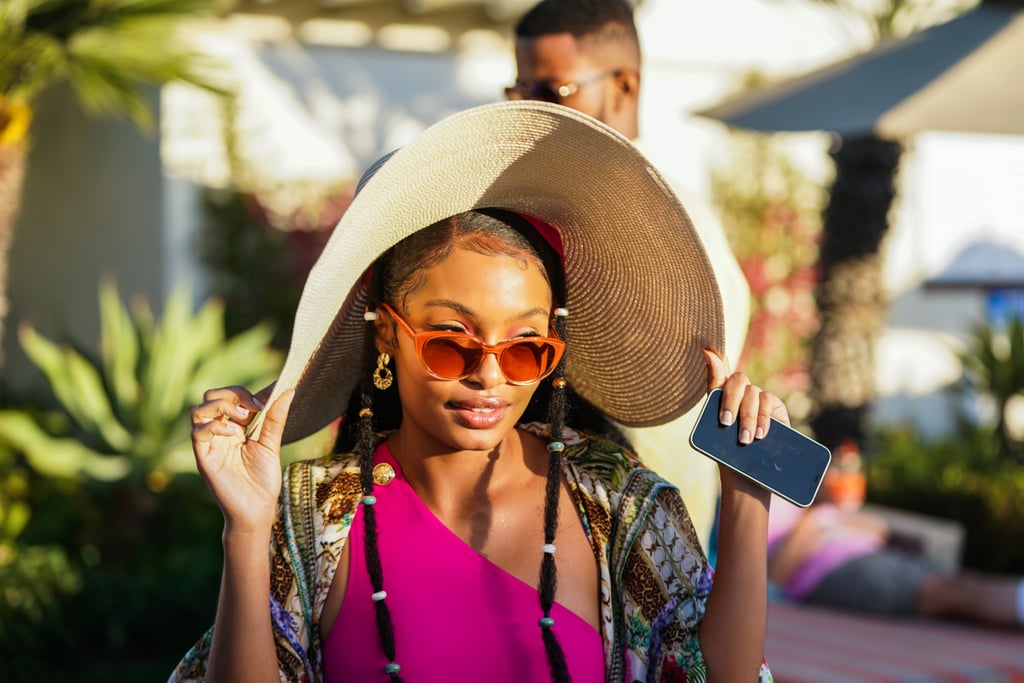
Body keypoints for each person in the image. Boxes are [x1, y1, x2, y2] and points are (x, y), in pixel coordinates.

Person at [169, 101, 784, 682]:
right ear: (386, 333)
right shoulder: (313, 517)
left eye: (524, 350)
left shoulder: (617, 504)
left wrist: (746, 504)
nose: (489, 376)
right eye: (451, 344)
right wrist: (247, 532)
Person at [507, 0, 753, 554]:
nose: (528, 111)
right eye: (518, 92)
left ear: (622, 86)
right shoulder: (571, 203)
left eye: (551, 91)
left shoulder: (652, 218)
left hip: (631, 526)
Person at [768, 456, 1024, 630]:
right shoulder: (790, 513)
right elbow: (775, 579)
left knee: (964, 584)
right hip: (835, 574)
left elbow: (880, 530)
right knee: (953, 592)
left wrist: (833, 514)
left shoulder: (816, 508)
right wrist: (815, 524)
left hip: (876, 558)